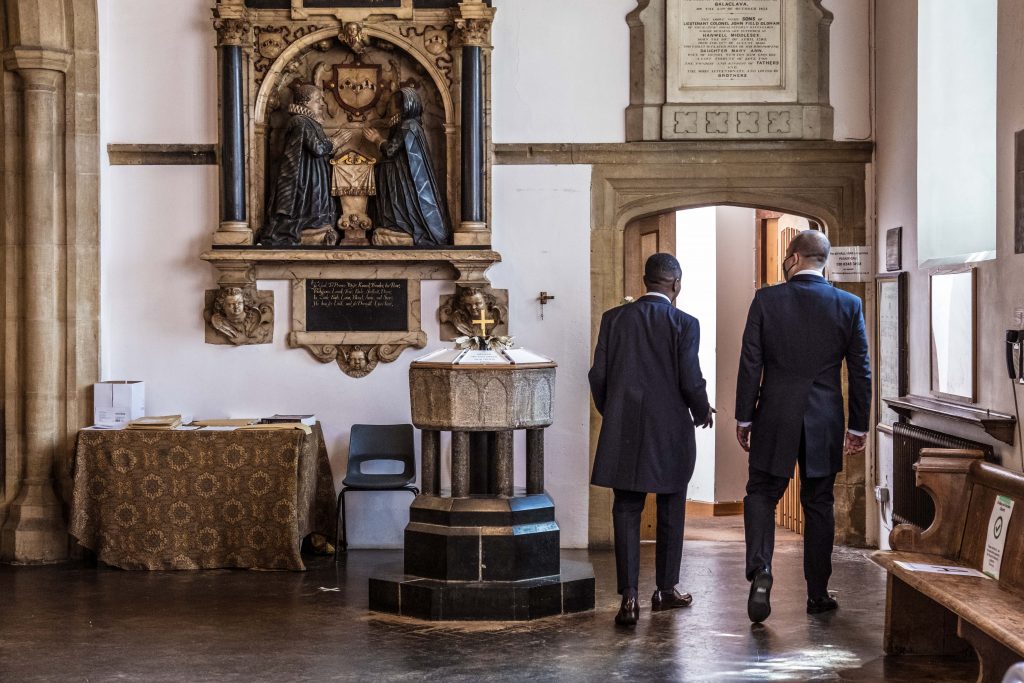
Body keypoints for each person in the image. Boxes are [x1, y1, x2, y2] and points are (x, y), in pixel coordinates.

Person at [735, 230, 870, 624]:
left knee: (761, 494)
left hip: (774, 415)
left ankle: (761, 569)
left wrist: (745, 416)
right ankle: (817, 593)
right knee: (819, 503)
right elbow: (860, 371)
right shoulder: (848, 305)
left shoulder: (766, 300)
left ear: (793, 257)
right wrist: (858, 426)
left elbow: (750, 363)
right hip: (825, 419)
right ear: (823, 260)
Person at [589, 253, 714, 627]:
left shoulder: (614, 319)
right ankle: (665, 590)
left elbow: (598, 375)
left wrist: (614, 412)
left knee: (626, 509)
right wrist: (702, 410)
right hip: (670, 430)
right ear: (675, 284)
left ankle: (629, 598)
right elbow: (690, 378)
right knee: (671, 509)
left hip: (624, 429)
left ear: (645, 281)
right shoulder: (684, 323)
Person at [364, 88, 450, 246]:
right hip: (398, 177)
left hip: (404, 180)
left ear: (403, 106)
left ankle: (403, 228)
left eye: (392, 104)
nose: (389, 107)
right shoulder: (404, 125)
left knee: (401, 207)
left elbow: (390, 150)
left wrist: (377, 139)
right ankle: (396, 227)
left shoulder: (408, 125)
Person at [261, 84, 340, 246]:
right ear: (305, 103)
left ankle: (317, 227)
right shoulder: (300, 121)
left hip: (314, 172)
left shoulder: (308, 122)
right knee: (311, 203)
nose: (322, 104)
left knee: (318, 205)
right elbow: (317, 148)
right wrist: (335, 142)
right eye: (318, 100)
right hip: (305, 177)